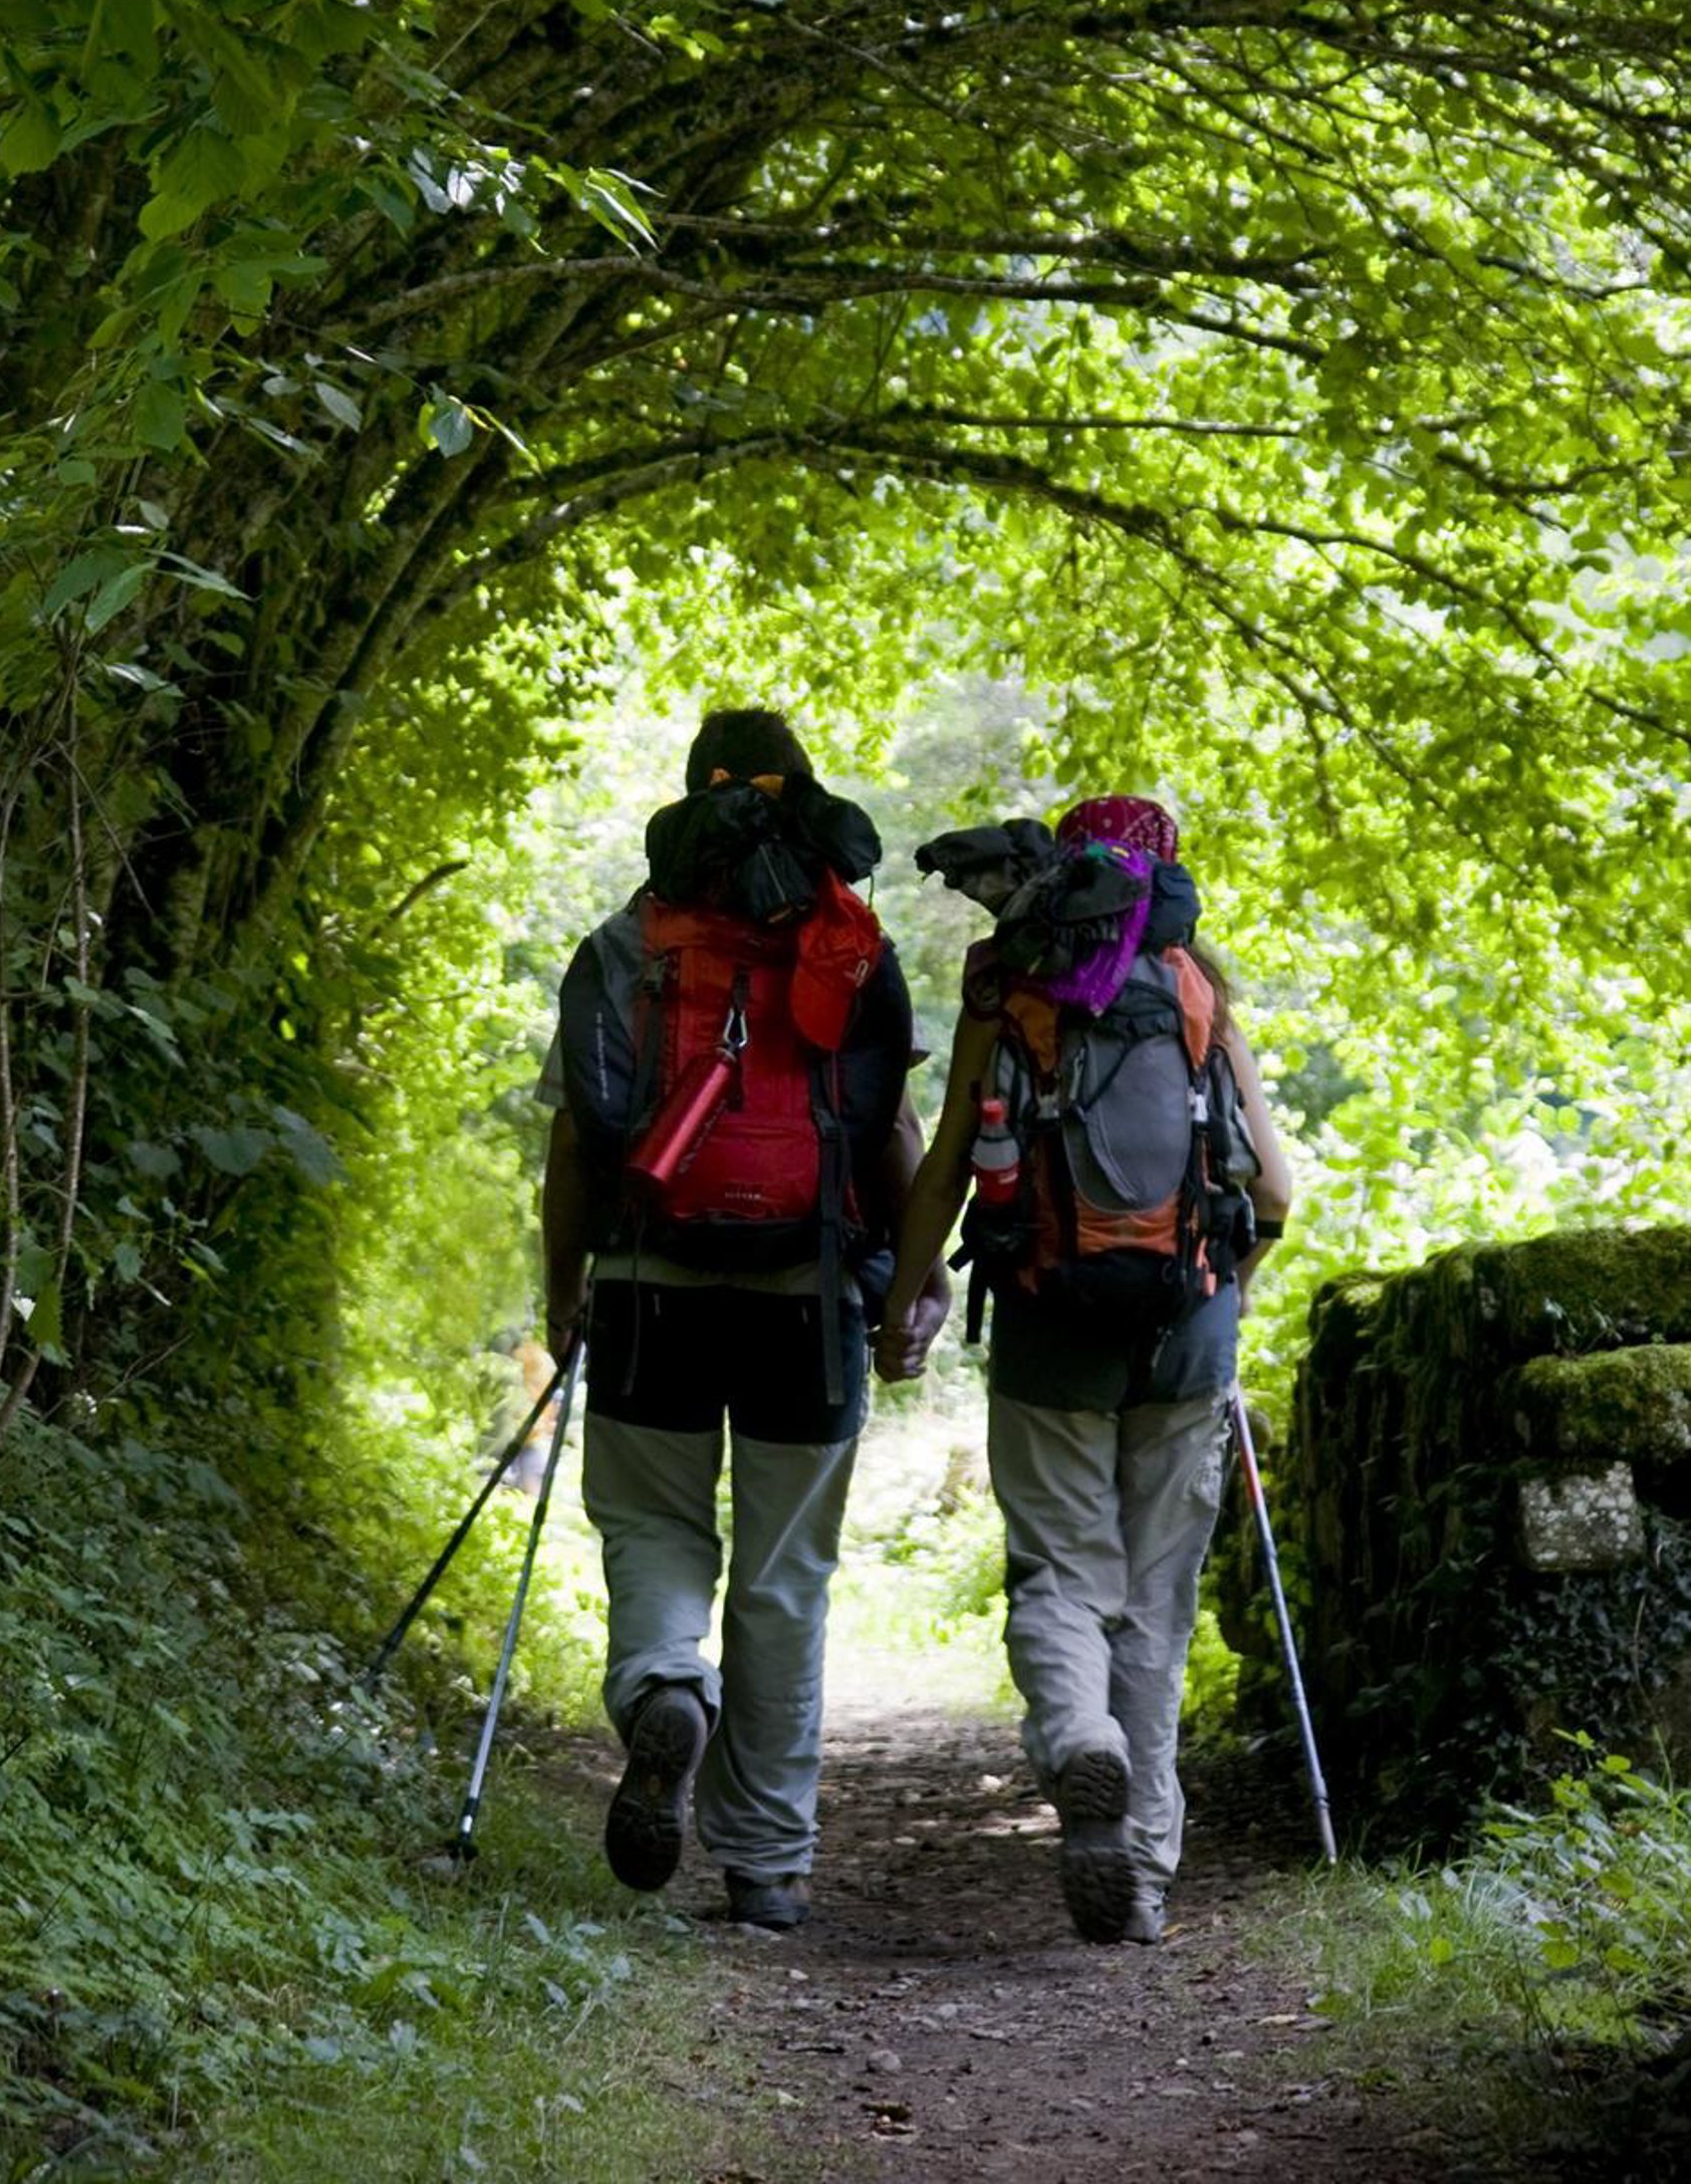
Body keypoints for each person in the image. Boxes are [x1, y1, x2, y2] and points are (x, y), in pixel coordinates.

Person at [540, 708, 947, 1929]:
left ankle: (670, 1687)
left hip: (648, 1284)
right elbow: (888, 1128)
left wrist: (563, 1286)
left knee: (652, 1526)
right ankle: (765, 1862)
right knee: (783, 1579)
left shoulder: (627, 941)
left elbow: (576, 1138)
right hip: (806, 1300)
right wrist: (918, 1278)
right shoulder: (850, 942)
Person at [877, 794, 1293, 1947]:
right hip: (1186, 1330)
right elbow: (1271, 1191)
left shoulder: (1011, 987)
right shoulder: (1198, 989)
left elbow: (949, 1162)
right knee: (1156, 1607)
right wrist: (1224, 1288)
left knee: (1061, 1574)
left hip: (1048, 1322)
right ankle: (1145, 1870)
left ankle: (1079, 1740)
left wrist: (907, 1296)